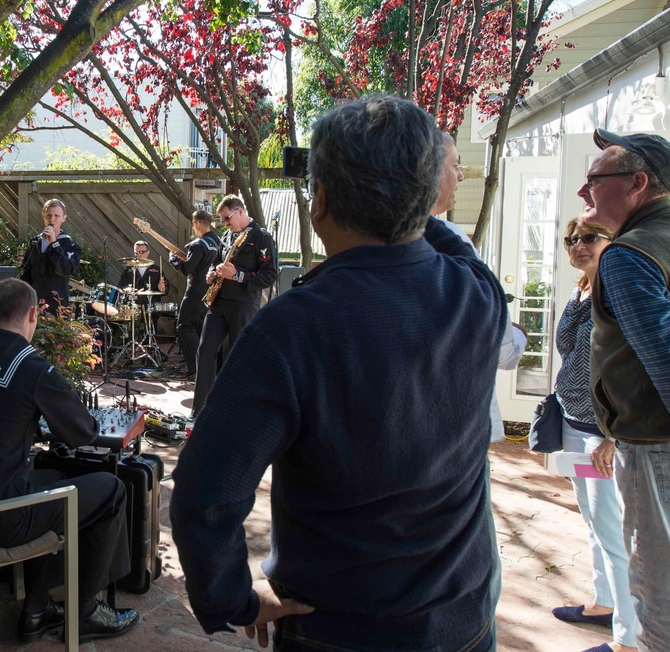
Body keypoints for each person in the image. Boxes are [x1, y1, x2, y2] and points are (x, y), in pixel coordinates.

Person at [171, 96, 507, 652]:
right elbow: (446, 241)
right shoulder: (478, 294)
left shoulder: (290, 330)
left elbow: (205, 495)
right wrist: (422, 191)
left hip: (339, 630)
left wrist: (234, 597)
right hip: (464, 619)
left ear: (319, 198)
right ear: (427, 199)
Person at [0, 278, 139, 644]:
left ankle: (37, 609)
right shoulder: (30, 366)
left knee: (53, 475)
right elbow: (83, 432)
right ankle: (85, 612)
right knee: (112, 490)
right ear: (32, 314)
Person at [579, 128, 670, 652]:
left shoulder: (630, 255)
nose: (584, 193)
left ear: (638, 183)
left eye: (594, 180)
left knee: (664, 609)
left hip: (662, 450)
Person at [547, 216, 637, 652]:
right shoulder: (581, 288)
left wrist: (615, 435)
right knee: (592, 521)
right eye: (572, 239)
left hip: (604, 433)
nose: (578, 245)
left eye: (589, 238)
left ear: (613, 242)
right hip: (575, 424)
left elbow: (635, 367)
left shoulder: (620, 292)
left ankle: (630, 639)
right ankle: (605, 604)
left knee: (614, 532)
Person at [432, 134, 527, 442]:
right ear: (428, 171)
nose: (460, 176)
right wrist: (517, 337)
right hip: (454, 428)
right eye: (455, 165)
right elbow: (499, 348)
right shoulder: (451, 242)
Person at [191, 195, 277, 417]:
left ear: (240, 211)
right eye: (223, 220)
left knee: (238, 357)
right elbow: (216, 260)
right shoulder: (227, 236)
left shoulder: (261, 237)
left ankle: (238, 411)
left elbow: (269, 276)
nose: (225, 223)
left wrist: (238, 276)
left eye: (227, 218)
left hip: (243, 304)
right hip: (218, 303)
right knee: (205, 351)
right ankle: (200, 410)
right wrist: (211, 272)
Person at [170, 210, 220, 378]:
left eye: (193, 224)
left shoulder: (199, 245)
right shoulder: (218, 242)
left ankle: (195, 369)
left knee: (184, 326)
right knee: (201, 329)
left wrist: (174, 260)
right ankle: (206, 367)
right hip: (211, 293)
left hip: (195, 292)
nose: (193, 227)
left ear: (198, 223)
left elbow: (186, 269)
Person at [20, 198, 82, 316]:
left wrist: (54, 243)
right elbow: (26, 272)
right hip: (35, 304)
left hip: (57, 306)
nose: (52, 219)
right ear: (43, 216)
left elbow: (66, 269)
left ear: (64, 218)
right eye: (48, 215)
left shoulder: (70, 245)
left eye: (56, 216)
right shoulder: (34, 242)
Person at [117, 240, 167, 304]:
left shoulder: (156, 270)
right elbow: (121, 286)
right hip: (133, 305)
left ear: (148, 252)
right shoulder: (129, 269)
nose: (139, 255)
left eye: (142, 252)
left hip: (151, 306)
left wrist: (162, 288)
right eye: (136, 252)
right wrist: (127, 290)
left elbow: (165, 285)